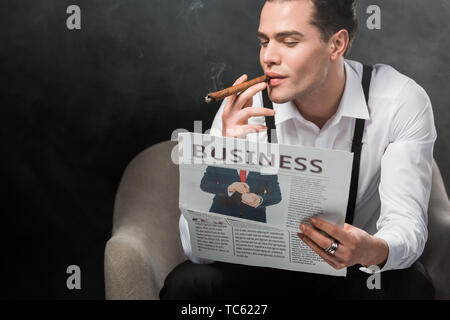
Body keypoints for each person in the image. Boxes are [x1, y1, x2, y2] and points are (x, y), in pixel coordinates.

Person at [160, 0, 437, 299]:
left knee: (411, 286)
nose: (269, 57)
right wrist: (222, 158)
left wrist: (372, 250)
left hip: (353, 278)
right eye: (264, 42)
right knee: (190, 284)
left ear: (337, 44)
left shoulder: (399, 100)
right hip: (262, 280)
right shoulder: (245, 108)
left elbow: (406, 224)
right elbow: (198, 253)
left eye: (289, 42)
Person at [200, 166, 282, 223]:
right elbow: (205, 184)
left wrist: (259, 200)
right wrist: (229, 188)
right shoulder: (220, 156)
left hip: (254, 219)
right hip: (222, 214)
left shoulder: (266, 163)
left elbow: (276, 195)